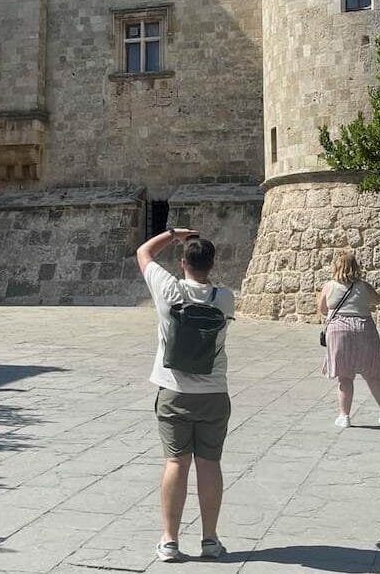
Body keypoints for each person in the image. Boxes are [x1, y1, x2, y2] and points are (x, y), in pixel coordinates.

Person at [137, 226, 235, 563]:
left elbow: (144, 253)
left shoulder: (169, 290)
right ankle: (210, 540)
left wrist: (175, 233)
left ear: (182, 263)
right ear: (211, 264)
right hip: (213, 392)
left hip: (175, 392)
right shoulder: (223, 297)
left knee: (176, 463)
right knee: (209, 464)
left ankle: (169, 541)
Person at [318, 248, 380, 428]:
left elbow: (322, 309)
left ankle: (344, 416)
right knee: (374, 375)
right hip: (364, 328)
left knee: (345, 376)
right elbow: (378, 300)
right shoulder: (364, 286)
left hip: (339, 330)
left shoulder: (329, 286)